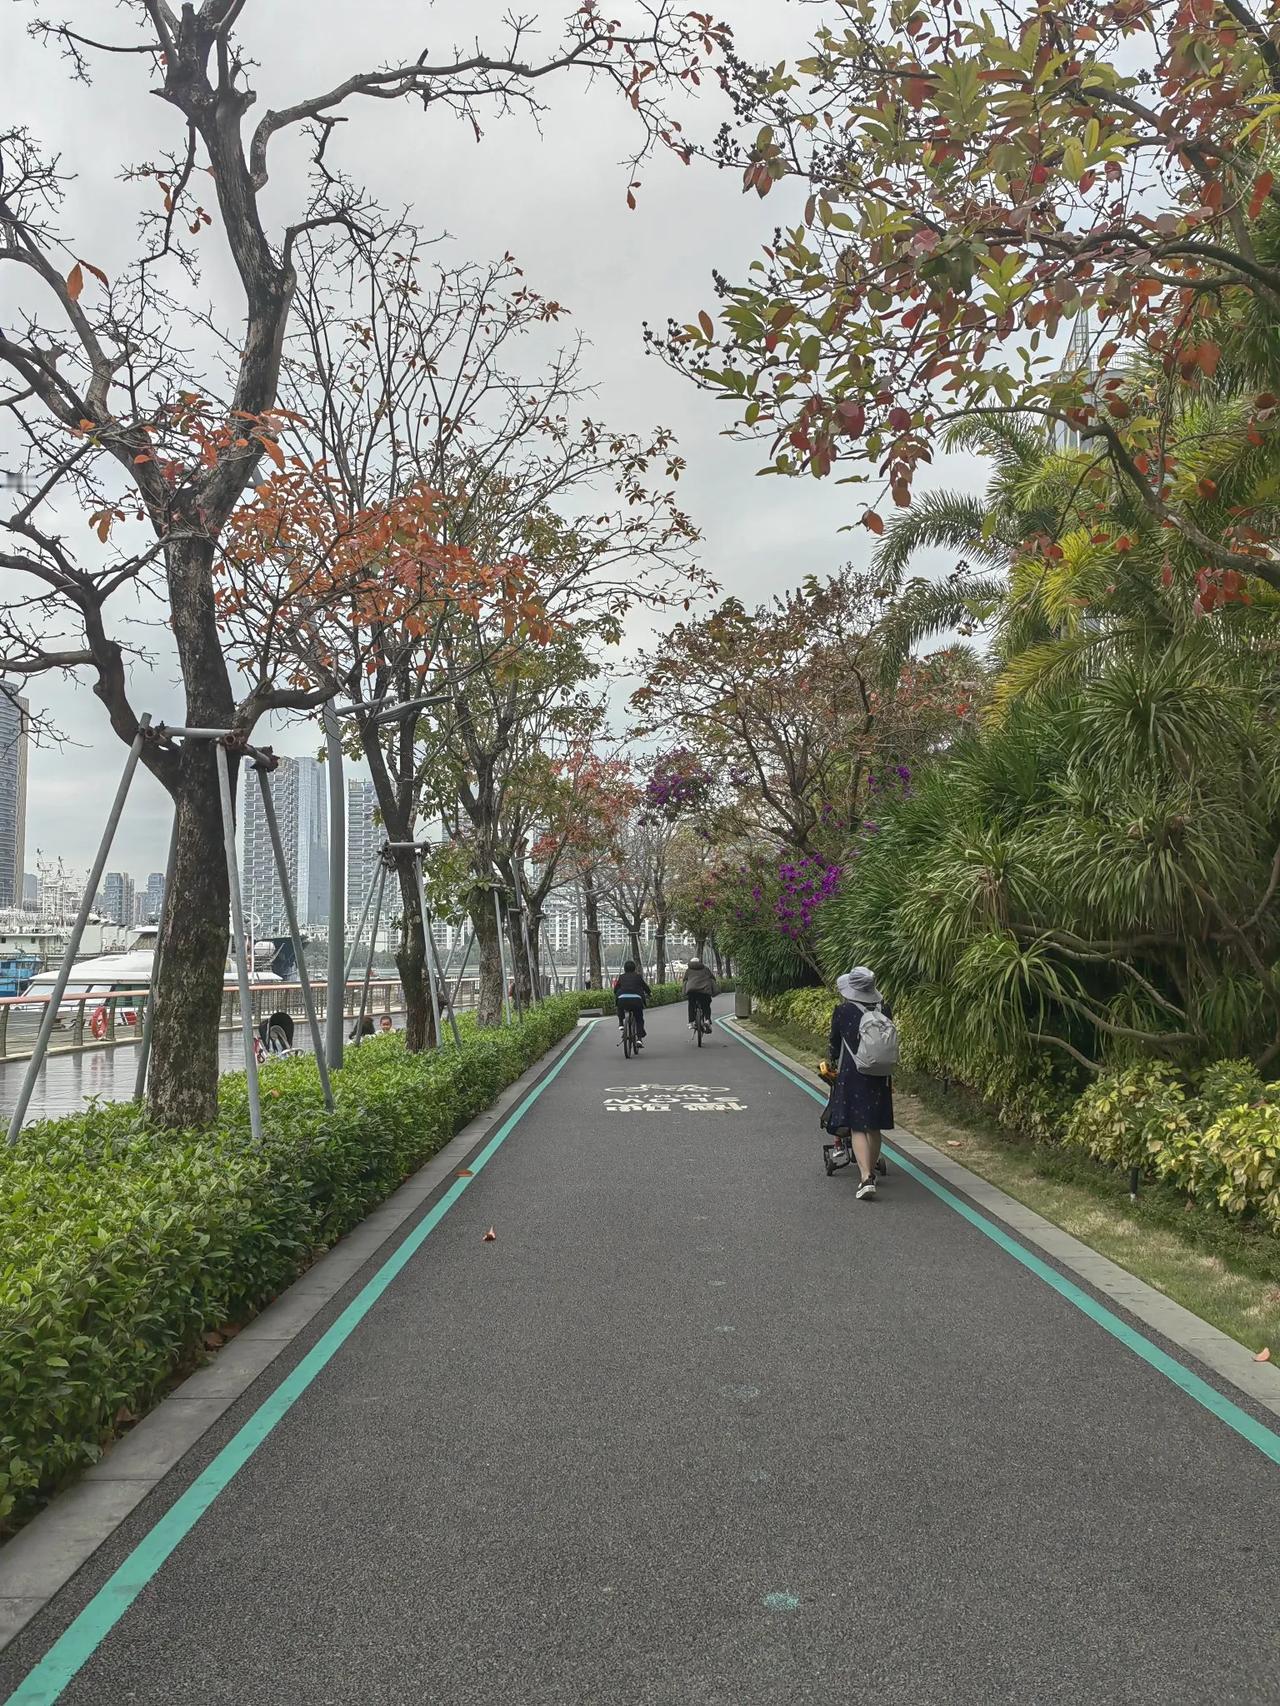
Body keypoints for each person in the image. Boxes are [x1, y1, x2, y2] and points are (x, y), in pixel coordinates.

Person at [824, 965, 894, 1202]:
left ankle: (865, 1177)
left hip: (854, 1074)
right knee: (874, 1126)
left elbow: (834, 1042)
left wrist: (831, 1058)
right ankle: (871, 1169)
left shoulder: (843, 1011)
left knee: (857, 1126)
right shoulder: (885, 1008)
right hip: (881, 1074)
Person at [612, 959, 651, 1048]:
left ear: (625, 969)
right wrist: (650, 993)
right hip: (636, 1000)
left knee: (619, 1006)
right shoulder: (638, 977)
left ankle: (621, 1023)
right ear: (634, 968)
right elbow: (645, 987)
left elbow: (616, 989)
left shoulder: (621, 977)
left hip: (623, 1000)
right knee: (639, 1019)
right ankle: (639, 1039)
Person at [682, 957, 717, 1031]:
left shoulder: (688, 970)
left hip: (692, 991)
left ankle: (691, 1022)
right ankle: (707, 1020)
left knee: (691, 1004)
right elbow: (712, 978)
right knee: (706, 1005)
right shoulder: (705, 969)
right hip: (704, 990)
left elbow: (684, 980)